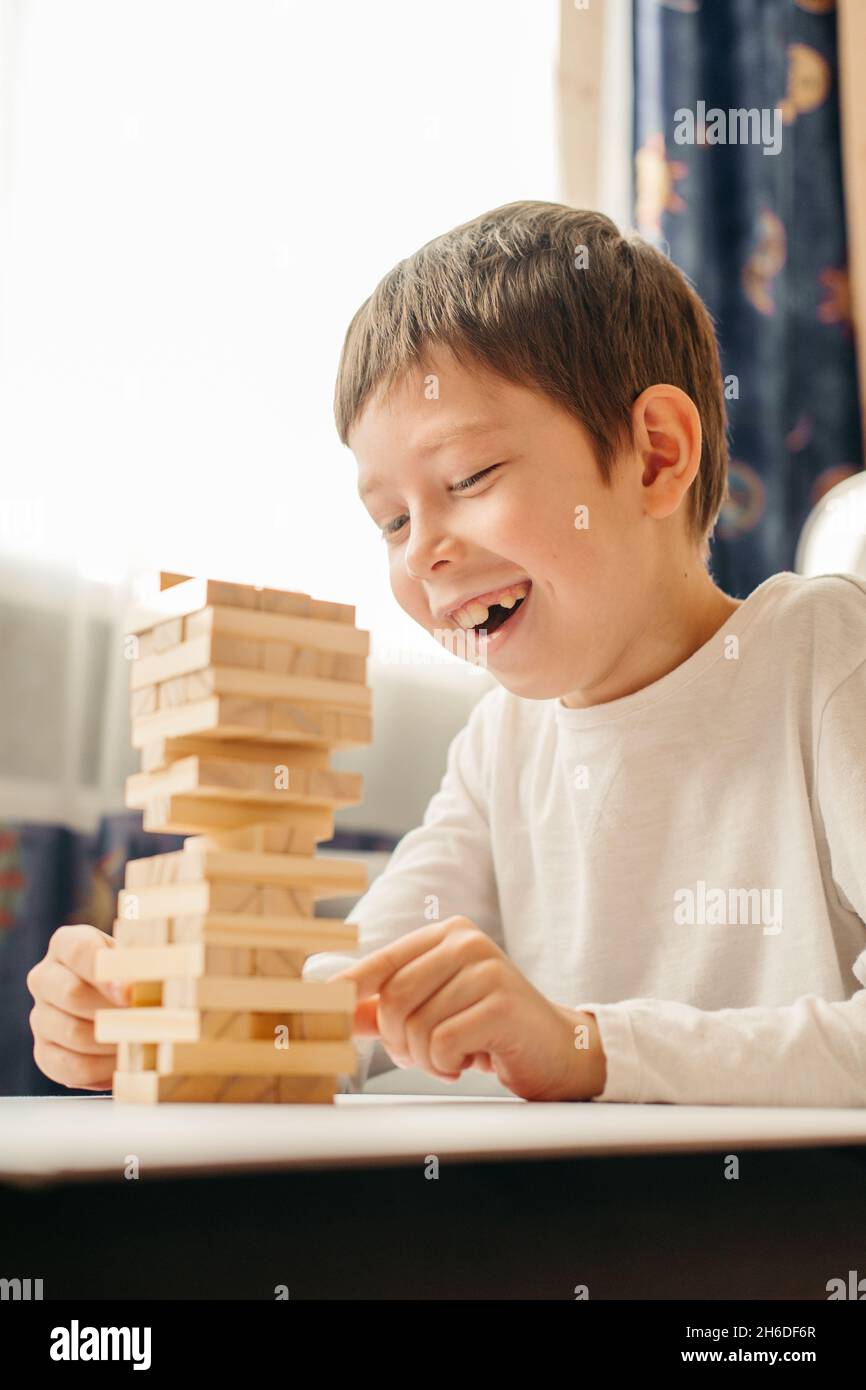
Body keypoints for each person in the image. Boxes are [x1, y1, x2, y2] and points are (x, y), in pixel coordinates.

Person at [28, 201, 866, 1104]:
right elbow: (356, 1003)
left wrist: (588, 1046)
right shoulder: (502, 741)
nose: (422, 551)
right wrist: (172, 1022)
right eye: (391, 519)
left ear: (656, 456)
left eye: (468, 479)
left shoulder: (823, 659)